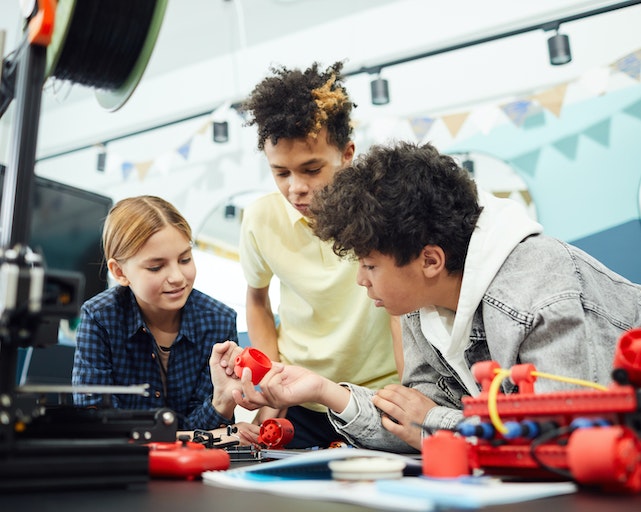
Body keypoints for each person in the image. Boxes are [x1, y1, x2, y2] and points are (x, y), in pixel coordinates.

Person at [229, 140, 641, 453]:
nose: (361, 281)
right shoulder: (423, 306)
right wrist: (322, 390)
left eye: (370, 266)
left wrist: (433, 421)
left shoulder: (538, 293)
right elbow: (409, 422)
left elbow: (560, 439)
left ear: (429, 260)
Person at [237, 61, 402, 448]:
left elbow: (401, 309)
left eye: (311, 169)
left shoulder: (383, 210)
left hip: (376, 397)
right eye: (281, 173)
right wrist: (267, 382)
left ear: (347, 153)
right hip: (298, 399)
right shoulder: (260, 219)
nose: (296, 188)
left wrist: (412, 388)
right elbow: (257, 298)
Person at [72, 195, 259, 443]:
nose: (178, 277)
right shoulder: (99, 318)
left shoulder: (219, 320)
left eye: (185, 259)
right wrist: (202, 437)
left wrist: (222, 403)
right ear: (119, 272)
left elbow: (210, 425)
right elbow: (97, 428)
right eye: (156, 267)